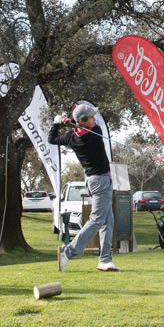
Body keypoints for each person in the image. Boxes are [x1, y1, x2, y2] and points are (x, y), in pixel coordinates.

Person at [48, 100, 119, 272]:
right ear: (81, 121)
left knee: (107, 220)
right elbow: (90, 130)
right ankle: (69, 252)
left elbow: (52, 139)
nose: (94, 120)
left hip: (92, 181)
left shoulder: (72, 138)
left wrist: (57, 124)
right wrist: (69, 123)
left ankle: (105, 260)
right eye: (90, 118)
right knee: (96, 221)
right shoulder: (95, 133)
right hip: (101, 181)